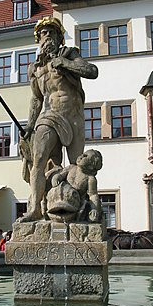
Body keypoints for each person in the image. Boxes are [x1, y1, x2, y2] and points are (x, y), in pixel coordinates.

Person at [19, 16, 98, 222]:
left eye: (52, 32)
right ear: (38, 39)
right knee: (39, 161)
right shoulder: (34, 68)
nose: (48, 37)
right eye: (44, 33)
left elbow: (92, 71)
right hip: (48, 115)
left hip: (72, 116)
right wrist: (29, 125)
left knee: (77, 165)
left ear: (59, 37)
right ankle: (36, 208)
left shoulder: (70, 54)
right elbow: (36, 99)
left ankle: (78, 210)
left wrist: (64, 63)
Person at [48, 149, 103, 222]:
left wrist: (94, 209)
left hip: (74, 202)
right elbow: (61, 175)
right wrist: (56, 177)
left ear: (91, 165)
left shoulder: (90, 179)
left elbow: (93, 195)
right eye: (82, 154)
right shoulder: (71, 167)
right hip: (59, 195)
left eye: (85, 156)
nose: (81, 157)